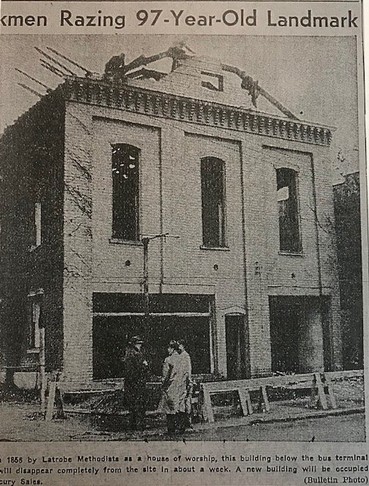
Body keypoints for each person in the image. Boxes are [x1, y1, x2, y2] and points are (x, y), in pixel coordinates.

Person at [159, 340, 190, 436]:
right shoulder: (182, 359)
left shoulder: (168, 360)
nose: (168, 350)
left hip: (171, 386)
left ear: (172, 349)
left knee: (170, 407)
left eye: (169, 348)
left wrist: (163, 384)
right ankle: (181, 428)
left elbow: (165, 375)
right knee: (180, 405)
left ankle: (171, 429)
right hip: (181, 385)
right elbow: (186, 372)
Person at [122, 335, 149, 431]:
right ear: (134, 344)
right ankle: (139, 426)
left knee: (132, 406)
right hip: (137, 383)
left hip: (130, 383)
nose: (140, 346)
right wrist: (145, 365)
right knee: (139, 405)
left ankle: (133, 426)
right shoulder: (137, 355)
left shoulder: (128, 354)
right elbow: (140, 369)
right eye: (138, 344)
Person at [176, 339, 193, 432]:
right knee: (182, 403)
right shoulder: (180, 356)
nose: (179, 347)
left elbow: (187, 370)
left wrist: (187, 381)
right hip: (181, 382)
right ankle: (183, 423)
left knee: (186, 403)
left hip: (185, 382)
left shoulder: (185, 356)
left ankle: (187, 422)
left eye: (180, 345)